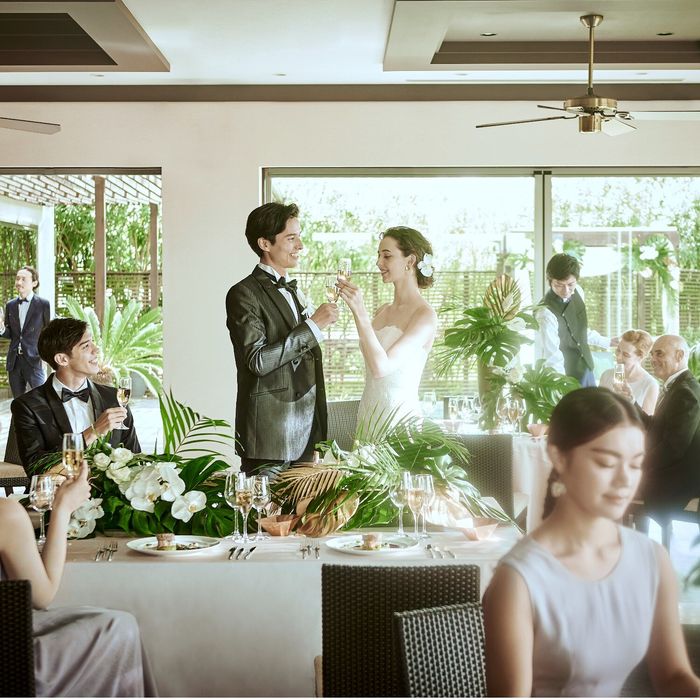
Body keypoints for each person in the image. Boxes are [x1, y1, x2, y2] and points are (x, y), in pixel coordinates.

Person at [483, 387, 700, 697]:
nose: (625, 481)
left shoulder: (651, 558)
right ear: (558, 457)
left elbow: (674, 676)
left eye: (635, 464)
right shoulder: (518, 581)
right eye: (607, 464)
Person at [0, 463, 157, 696]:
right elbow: (41, 597)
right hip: (12, 662)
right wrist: (63, 508)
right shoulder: (6, 514)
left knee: (96, 617)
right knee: (119, 628)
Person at [226, 202, 339, 474]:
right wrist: (312, 326)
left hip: (307, 434)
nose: (300, 245)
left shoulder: (294, 290)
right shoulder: (243, 293)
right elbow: (258, 361)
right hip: (270, 437)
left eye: (299, 237)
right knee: (263, 504)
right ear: (265, 243)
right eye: (291, 238)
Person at [336, 226, 437, 437]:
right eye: (379, 255)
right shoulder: (382, 312)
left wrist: (360, 311)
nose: (378, 263)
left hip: (400, 423)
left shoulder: (425, 316)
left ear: (410, 261)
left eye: (387, 256)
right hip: (368, 418)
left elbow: (381, 368)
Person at [11, 317, 140, 471]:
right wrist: (93, 432)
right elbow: (36, 468)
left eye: (92, 342)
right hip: (60, 487)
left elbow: (135, 460)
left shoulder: (114, 398)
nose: (96, 350)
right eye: (86, 346)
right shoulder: (28, 406)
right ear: (62, 359)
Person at [637, 334, 700, 530]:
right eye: (652, 355)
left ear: (679, 355)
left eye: (659, 354)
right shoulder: (677, 386)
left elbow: (673, 448)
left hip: (678, 480)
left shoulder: (685, 392)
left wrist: (638, 464)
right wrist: (630, 402)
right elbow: (656, 427)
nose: (653, 359)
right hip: (671, 469)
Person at [535, 253, 611, 387]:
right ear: (550, 281)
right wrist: (561, 386)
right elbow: (552, 356)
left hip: (586, 368)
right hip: (565, 377)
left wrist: (607, 341)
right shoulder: (545, 313)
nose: (566, 290)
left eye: (570, 284)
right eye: (559, 285)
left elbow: (579, 330)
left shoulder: (579, 291)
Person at [0, 266, 51, 397]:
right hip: (14, 362)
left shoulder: (43, 304)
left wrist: (46, 356)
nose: (19, 282)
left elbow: (48, 333)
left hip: (35, 360)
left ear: (34, 283)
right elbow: (11, 334)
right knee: (18, 401)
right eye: (17, 279)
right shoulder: (10, 305)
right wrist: (1, 327)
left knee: (41, 399)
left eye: (23, 279)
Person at [600, 328, 659, 414]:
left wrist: (628, 402)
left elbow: (646, 420)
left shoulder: (650, 384)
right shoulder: (607, 375)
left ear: (640, 357)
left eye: (626, 355)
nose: (618, 357)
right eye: (618, 350)